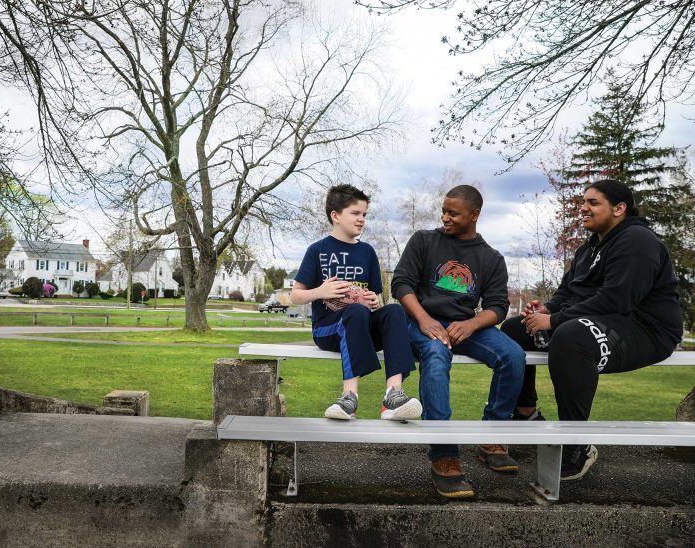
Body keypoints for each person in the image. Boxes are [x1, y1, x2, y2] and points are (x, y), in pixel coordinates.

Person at [501, 179, 683, 480]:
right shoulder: (589, 248)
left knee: (573, 336)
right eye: (583, 202)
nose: (583, 208)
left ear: (619, 208)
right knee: (514, 329)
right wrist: (547, 310)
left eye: (593, 202)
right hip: (603, 320)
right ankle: (526, 413)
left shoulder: (637, 240)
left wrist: (555, 321)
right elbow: (568, 291)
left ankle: (577, 443)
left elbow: (618, 299)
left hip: (646, 329)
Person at [391, 184, 525, 499]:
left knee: (513, 356)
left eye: (453, 213)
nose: (445, 217)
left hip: (466, 326)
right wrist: (424, 319)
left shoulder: (491, 257)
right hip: (422, 323)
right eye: (444, 211)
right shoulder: (424, 240)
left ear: (474, 215)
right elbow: (401, 283)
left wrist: (472, 323)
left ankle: (491, 434)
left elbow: (497, 306)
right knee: (436, 357)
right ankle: (444, 455)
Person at [291, 184, 422, 421]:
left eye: (364, 214)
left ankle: (393, 397)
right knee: (355, 312)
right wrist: (321, 290)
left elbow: (376, 298)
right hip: (328, 330)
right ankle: (349, 398)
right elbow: (295, 295)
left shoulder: (367, 252)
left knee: (394, 311)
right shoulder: (317, 250)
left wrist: (374, 300)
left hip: (362, 328)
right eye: (355, 213)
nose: (361, 219)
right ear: (336, 215)